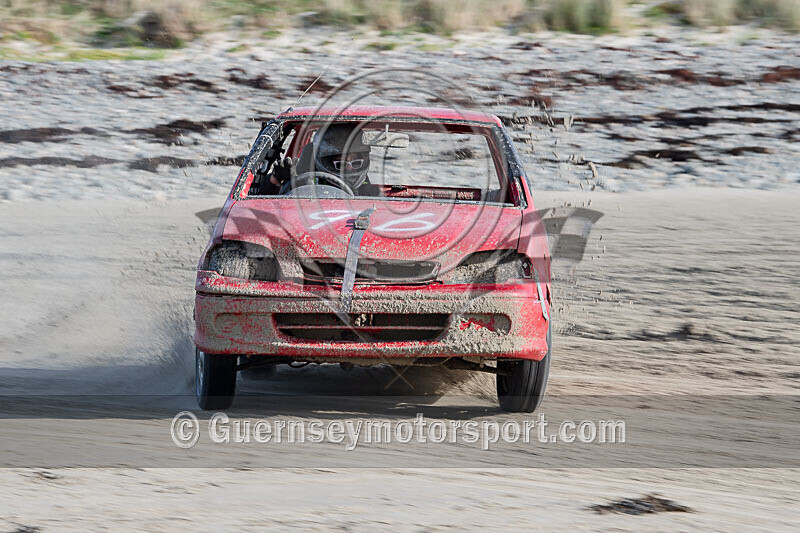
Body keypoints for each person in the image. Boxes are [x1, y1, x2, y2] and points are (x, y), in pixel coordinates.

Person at [268, 123, 379, 195]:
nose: (349, 168)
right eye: (340, 164)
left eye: (356, 163)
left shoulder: (368, 192)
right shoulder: (301, 180)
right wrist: (275, 180)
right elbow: (262, 204)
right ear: (327, 161)